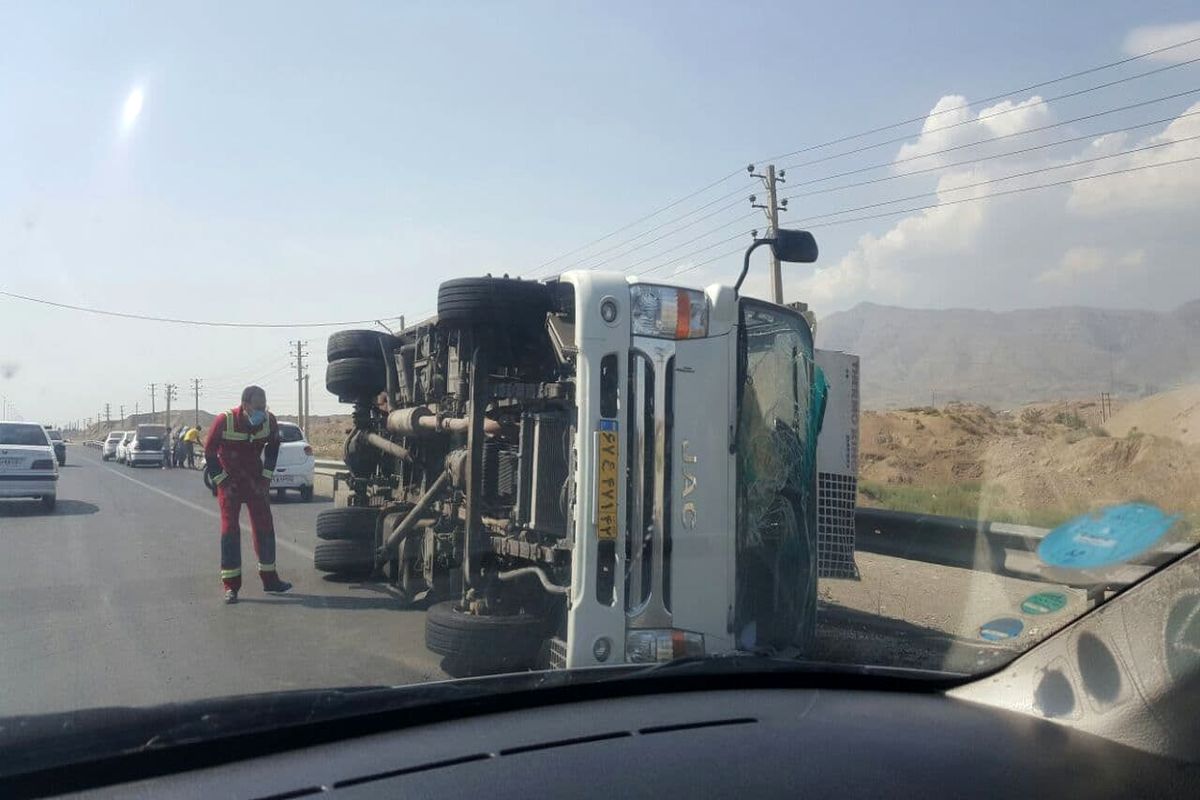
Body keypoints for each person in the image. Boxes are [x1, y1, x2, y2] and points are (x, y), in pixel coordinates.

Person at [204, 386, 292, 604]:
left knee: (265, 527)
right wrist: (222, 481)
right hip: (230, 482)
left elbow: (273, 449)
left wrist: (266, 479)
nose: (262, 411)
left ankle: (270, 579)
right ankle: (231, 586)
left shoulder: (269, 421)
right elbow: (209, 453)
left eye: (264, 406)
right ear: (245, 406)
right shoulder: (224, 421)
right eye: (258, 407)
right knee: (230, 531)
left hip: (255, 481)